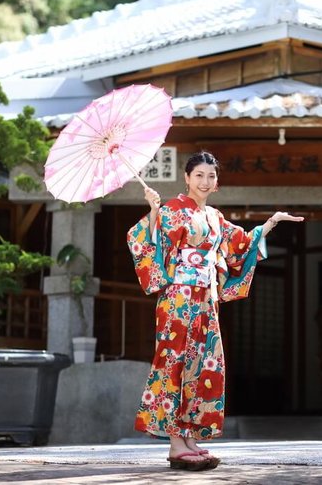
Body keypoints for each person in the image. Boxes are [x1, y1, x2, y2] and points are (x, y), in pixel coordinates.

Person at [126, 151, 303, 471]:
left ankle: (190, 437)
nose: (205, 182)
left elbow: (241, 248)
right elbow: (146, 243)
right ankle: (176, 444)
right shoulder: (172, 209)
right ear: (187, 178)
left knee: (204, 365)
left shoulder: (215, 218)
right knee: (176, 363)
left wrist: (271, 222)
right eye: (199, 176)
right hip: (179, 299)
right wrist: (153, 212)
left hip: (206, 301)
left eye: (210, 176)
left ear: (216, 181)